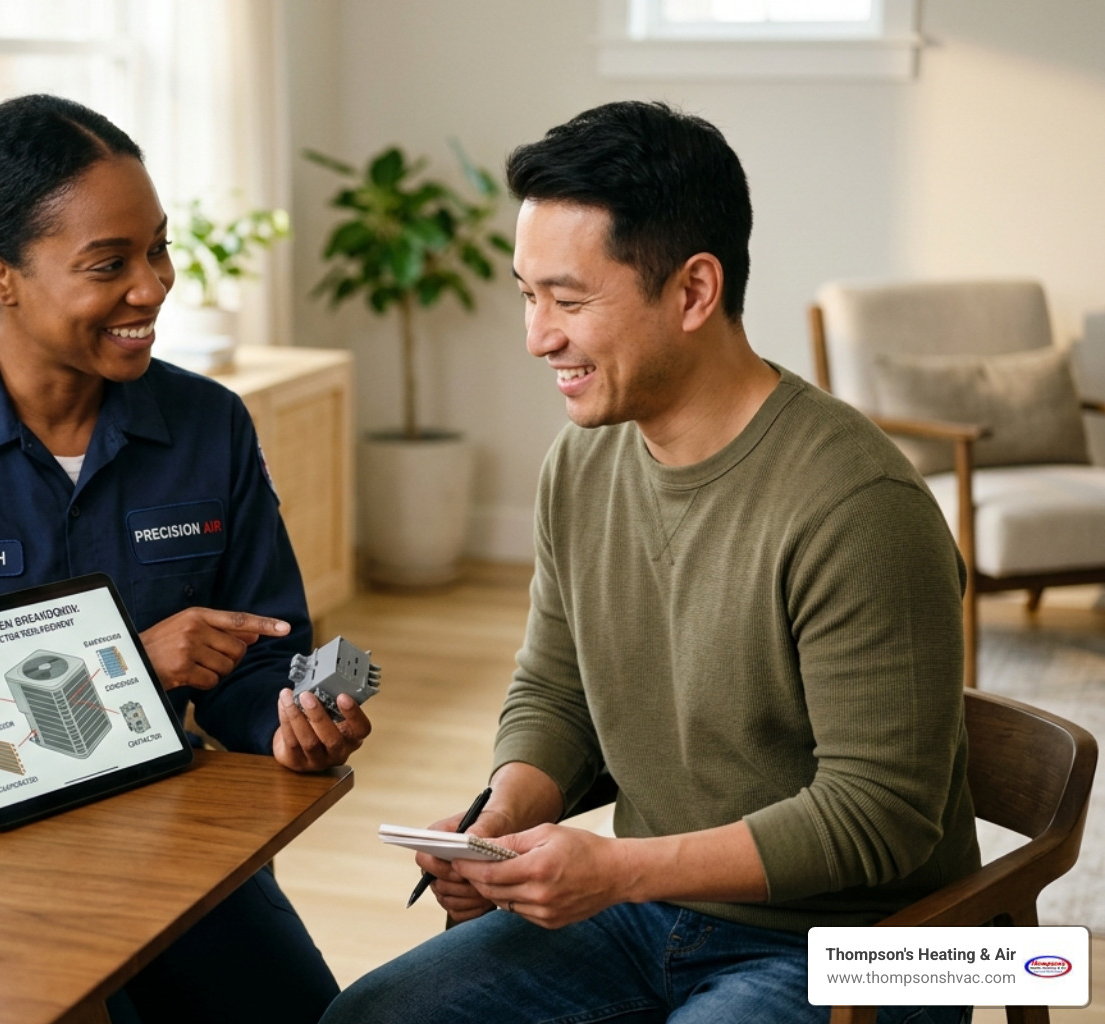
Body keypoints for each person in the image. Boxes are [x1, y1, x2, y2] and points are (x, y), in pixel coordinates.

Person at [320, 102, 977, 1024]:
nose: (537, 337)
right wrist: (502, 819)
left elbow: (880, 817)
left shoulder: (859, 508)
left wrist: (618, 869)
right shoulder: (582, 465)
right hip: (651, 910)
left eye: (570, 299)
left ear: (694, 292)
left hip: (867, 947)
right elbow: (557, 691)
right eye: (527, 294)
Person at [0, 93, 368, 1024]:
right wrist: (129, 664)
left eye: (158, 248)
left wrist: (288, 723)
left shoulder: (208, 425)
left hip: (165, 835)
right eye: (110, 265)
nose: (154, 285)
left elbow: (257, 656)